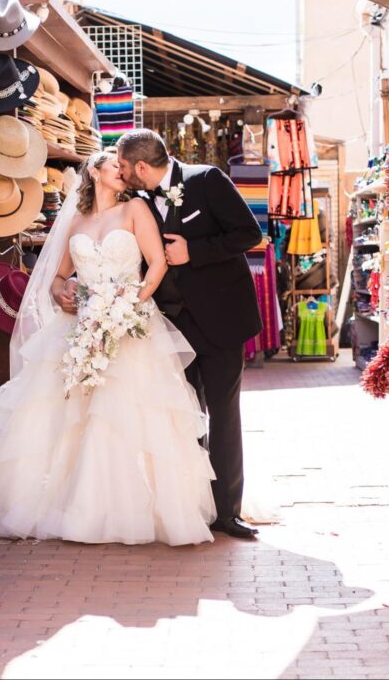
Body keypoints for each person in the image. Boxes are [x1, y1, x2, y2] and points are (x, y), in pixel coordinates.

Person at [0, 151, 217, 547]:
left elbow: (156, 262)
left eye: (125, 167)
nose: (123, 171)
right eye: (115, 166)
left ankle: (130, 509)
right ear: (94, 171)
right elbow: (57, 277)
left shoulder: (135, 209)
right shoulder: (76, 221)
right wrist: (63, 292)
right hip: (79, 324)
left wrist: (133, 301)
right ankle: (73, 505)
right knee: (70, 416)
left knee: (124, 415)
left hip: (130, 323)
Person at [115, 129, 264, 539]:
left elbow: (249, 235)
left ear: (142, 166)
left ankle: (227, 511)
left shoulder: (207, 180)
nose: (121, 173)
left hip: (220, 322)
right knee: (182, 418)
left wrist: (193, 252)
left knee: (223, 415)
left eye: (125, 167)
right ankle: (192, 504)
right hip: (169, 326)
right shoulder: (135, 200)